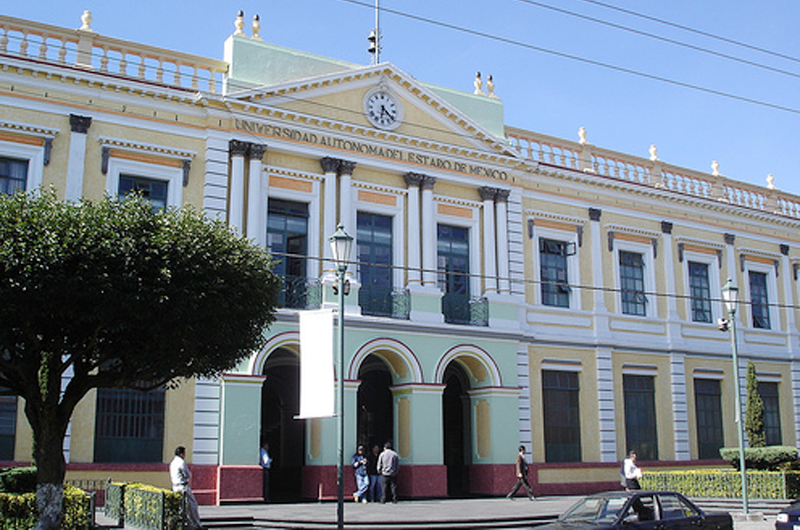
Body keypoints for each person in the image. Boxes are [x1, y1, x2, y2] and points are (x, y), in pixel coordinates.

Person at [170, 446, 202, 530]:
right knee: (192, 505)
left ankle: (184, 523)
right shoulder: (181, 462)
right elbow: (188, 474)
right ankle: (196, 525)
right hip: (182, 486)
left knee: (181, 506)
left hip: (175, 486)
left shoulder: (173, 463)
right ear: (181, 454)